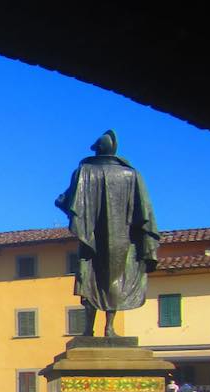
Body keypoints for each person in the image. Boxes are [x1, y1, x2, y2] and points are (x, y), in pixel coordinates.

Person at [56, 129, 159, 337]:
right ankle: (109, 328)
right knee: (116, 279)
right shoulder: (132, 175)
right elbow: (144, 211)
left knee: (90, 279)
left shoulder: (83, 172)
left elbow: (64, 201)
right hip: (124, 241)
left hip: (91, 239)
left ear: (98, 151)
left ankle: (88, 330)